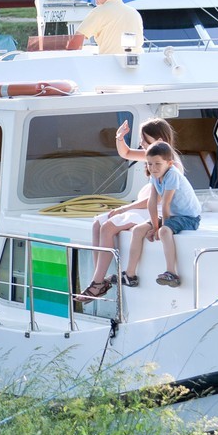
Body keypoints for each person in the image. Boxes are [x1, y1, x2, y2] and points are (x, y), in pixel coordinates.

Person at [76, 117, 176, 300]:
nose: (141, 144)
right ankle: (98, 279)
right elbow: (126, 153)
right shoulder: (153, 155)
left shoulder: (171, 164)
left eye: (145, 140)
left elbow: (154, 200)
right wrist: (119, 137)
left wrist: (123, 209)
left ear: (159, 140)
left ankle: (97, 284)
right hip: (144, 206)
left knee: (108, 227)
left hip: (157, 210)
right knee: (98, 223)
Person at [121, 141, 202, 288]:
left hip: (189, 217)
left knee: (165, 231)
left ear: (169, 163)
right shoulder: (154, 175)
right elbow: (152, 202)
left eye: (157, 164)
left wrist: (160, 228)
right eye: (149, 164)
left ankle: (171, 272)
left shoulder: (172, 175)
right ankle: (130, 274)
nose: (153, 168)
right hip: (173, 215)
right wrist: (154, 225)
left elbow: (165, 203)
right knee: (139, 230)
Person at [72, 0, 143, 55]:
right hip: (138, 62)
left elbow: (77, 39)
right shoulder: (134, 13)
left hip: (110, 63)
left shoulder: (99, 11)